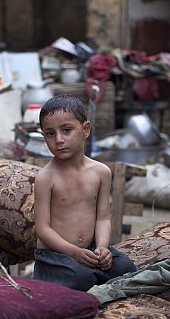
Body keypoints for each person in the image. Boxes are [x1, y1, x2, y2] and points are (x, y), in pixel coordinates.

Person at [33, 95, 137, 291]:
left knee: (126, 267)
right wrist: (73, 252)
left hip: (90, 251)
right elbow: (43, 230)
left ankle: (94, 275)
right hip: (56, 256)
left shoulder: (101, 172)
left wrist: (103, 248)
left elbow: (103, 218)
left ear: (86, 129)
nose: (59, 140)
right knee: (79, 277)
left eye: (66, 130)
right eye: (50, 133)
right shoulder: (46, 178)